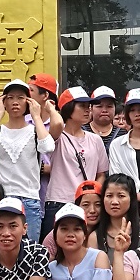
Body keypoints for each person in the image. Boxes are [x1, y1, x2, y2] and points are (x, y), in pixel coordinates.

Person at [0, 79, 55, 240]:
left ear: (28, 102)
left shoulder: (34, 131)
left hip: (29, 200)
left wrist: (36, 116)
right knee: (2, 246)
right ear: (3, 102)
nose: (15, 102)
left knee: (30, 249)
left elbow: (48, 147)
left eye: (20, 97)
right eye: (10, 98)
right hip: (2, 198)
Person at [44, 87, 107, 238]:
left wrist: (92, 195)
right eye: (82, 106)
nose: (87, 110)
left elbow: (101, 174)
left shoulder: (96, 139)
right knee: (55, 246)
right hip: (59, 201)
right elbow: (57, 125)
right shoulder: (58, 137)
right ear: (68, 108)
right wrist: (52, 109)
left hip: (86, 203)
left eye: (88, 106)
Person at [42, 203, 112, 280]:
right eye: (64, 229)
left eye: (77, 229)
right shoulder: (52, 268)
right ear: (55, 235)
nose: (70, 234)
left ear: (85, 235)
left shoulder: (98, 258)